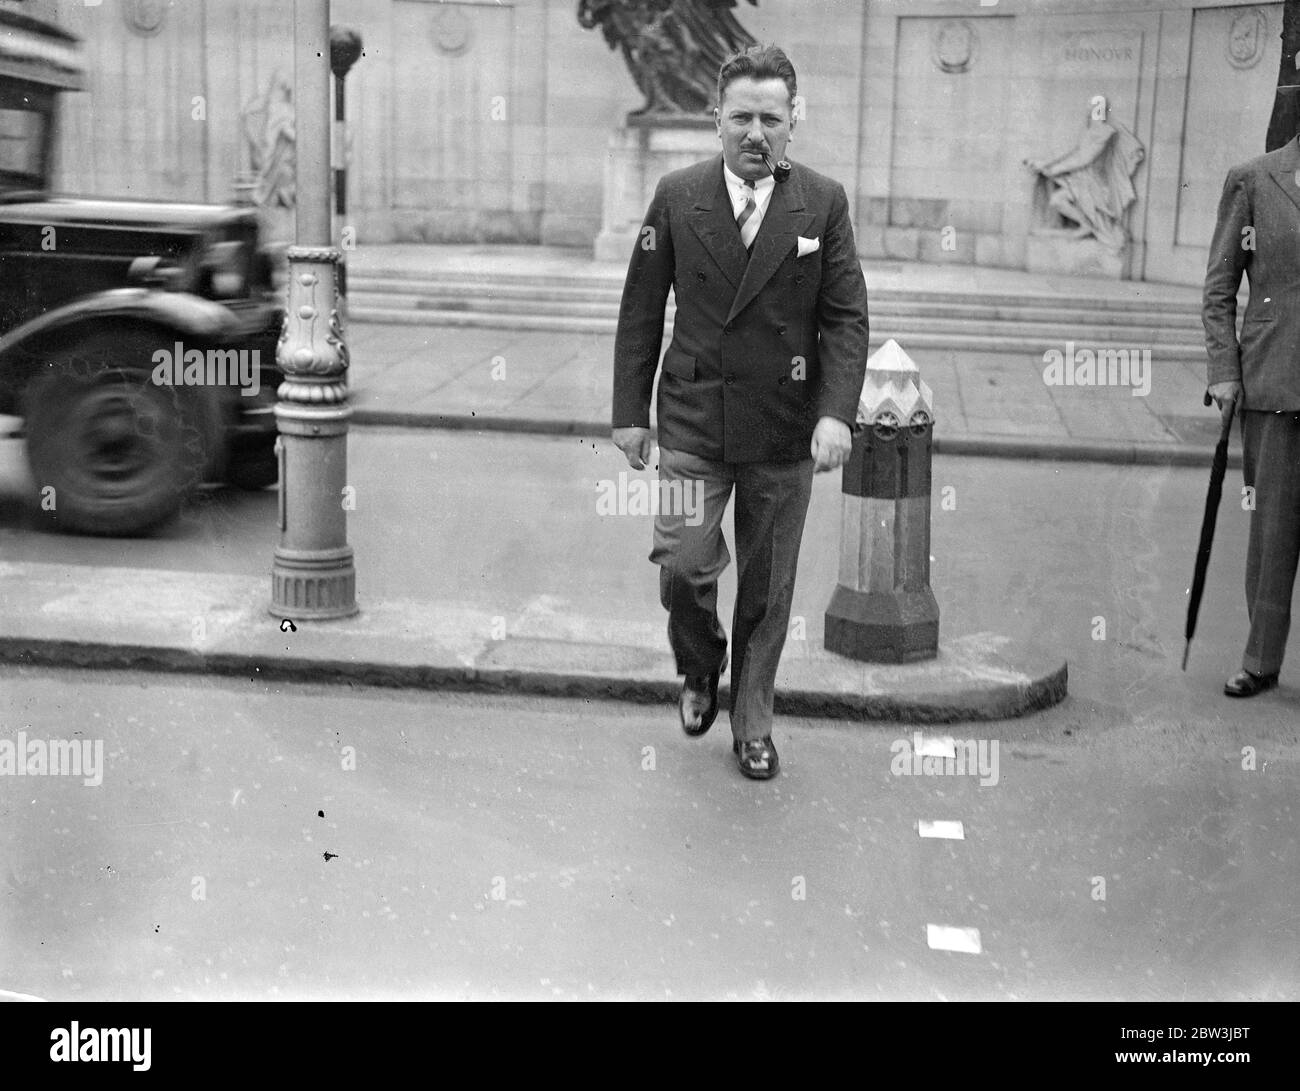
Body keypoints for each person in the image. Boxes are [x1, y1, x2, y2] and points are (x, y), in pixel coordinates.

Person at [611, 44, 870, 777]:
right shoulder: (676, 194)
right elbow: (640, 309)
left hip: (786, 429)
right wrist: (631, 413)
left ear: (795, 122)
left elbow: (846, 318)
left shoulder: (821, 202)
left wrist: (836, 414)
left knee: (767, 586)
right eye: (742, 117)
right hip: (694, 418)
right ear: (714, 119)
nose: (757, 132)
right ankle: (700, 667)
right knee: (685, 564)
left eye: (772, 118)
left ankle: (752, 719)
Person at [1202, 132, 1300, 698]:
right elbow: (1219, 287)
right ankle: (1262, 659)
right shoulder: (1256, 179)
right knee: (1274, 533)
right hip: (1276, 380)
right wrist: (1225, 369)